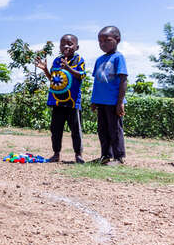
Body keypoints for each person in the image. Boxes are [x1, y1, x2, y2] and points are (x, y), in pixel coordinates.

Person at [35, 34, 86, 164]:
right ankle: (56, 153)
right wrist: (46, 70)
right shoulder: (57, 61)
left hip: (72, 102)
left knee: (76, 130)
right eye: (63, 44)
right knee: (55, 129)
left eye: (69, 44)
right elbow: (54, 79)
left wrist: (68, 68)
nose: (66, 46)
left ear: (77, 47)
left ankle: (78, 155)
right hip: (57, 101)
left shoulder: (79, 60)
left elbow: (81, 75)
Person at [91, 26, 128, 166]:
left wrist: (120, 102)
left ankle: (119, 158)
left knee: (115, 130)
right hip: (101, 101)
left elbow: (123, 80)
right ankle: (105, 156)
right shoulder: (99, 59)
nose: (103, 44)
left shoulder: (119, 57)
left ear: (117, 40)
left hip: (113, 102)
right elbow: (97, 82)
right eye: (100, 41)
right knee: (102, 130)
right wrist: (94, 100)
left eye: (107, 40)